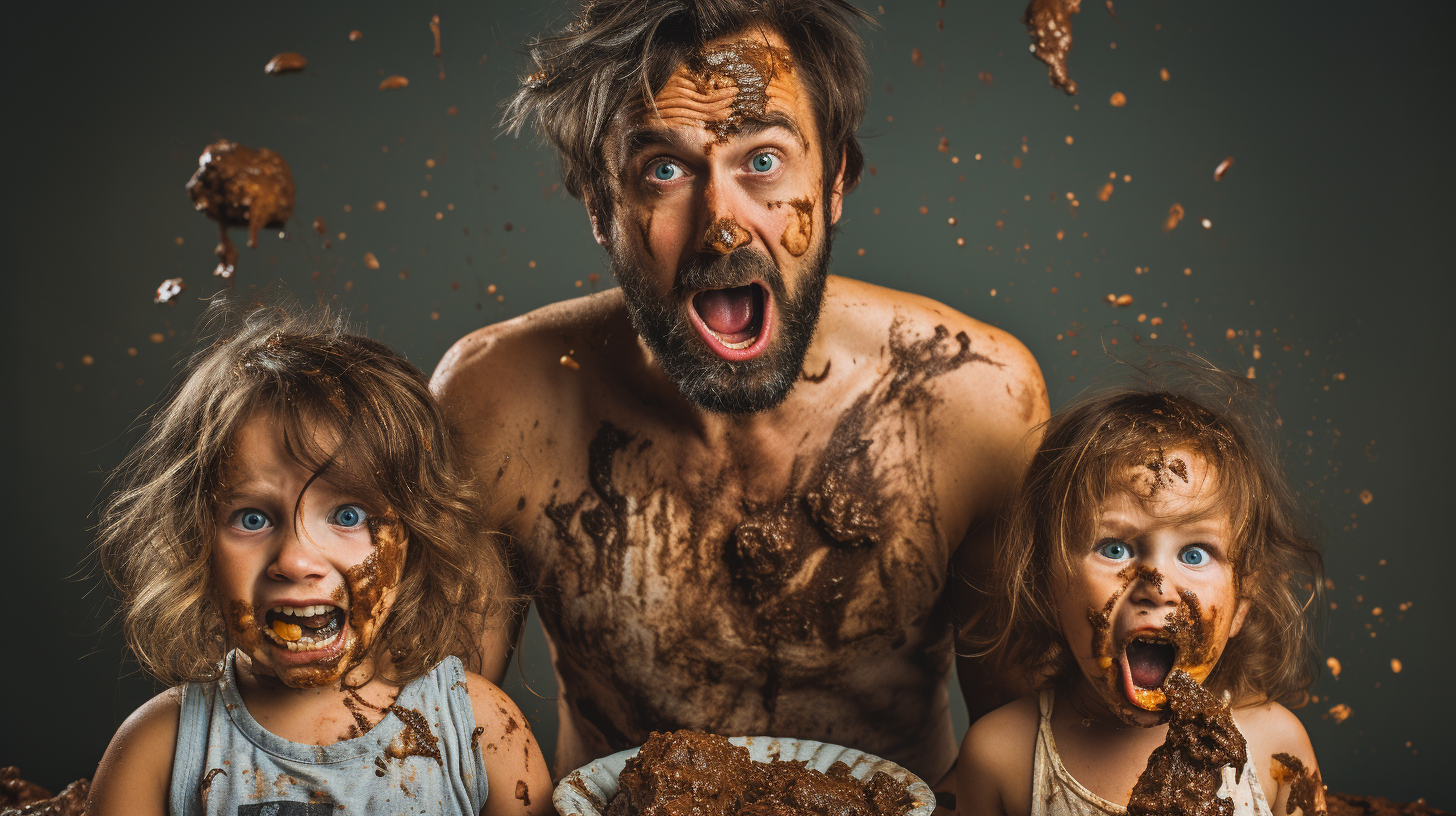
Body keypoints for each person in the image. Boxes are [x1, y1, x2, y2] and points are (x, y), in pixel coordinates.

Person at [432, 0, 1048, 785]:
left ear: (834, 183)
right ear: (599, 205)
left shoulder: (974, 400)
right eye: (663, 170)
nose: (721, 223)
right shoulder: (496, 404)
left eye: (762, 161)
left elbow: (1034, 760)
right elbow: (437, 747)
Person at [87, 304, 551, 816]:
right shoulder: (159, 752)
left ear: (416, 540)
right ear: (196, 545)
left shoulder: (482, 733)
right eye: (252, 519)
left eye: (348, 515)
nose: (295, 559)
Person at [954, 384, 1327, 815]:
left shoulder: (1276, 749)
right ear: (1045, 584)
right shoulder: (1001, 757)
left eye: (1194, 554)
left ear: (1241, 605)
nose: (1157, 584)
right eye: (1115, 548)